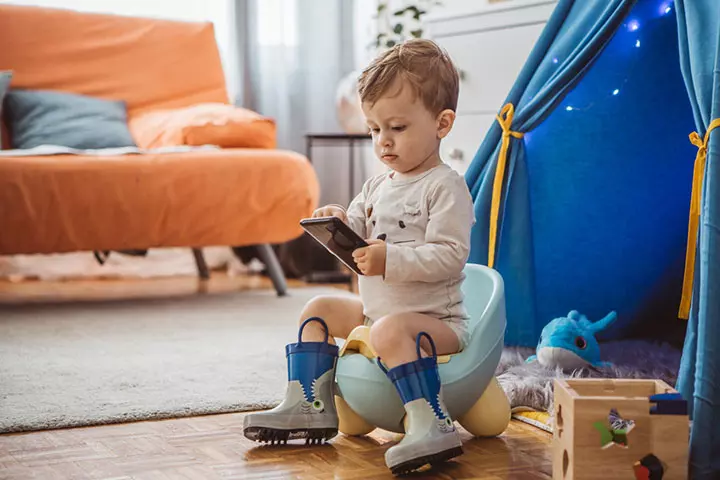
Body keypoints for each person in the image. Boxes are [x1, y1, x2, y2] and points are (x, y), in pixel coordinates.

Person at [243, 38, 475, 474]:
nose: (383, 142)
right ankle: (310, 403)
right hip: (378, 317)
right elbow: (357, 231)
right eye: (374, 129)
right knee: (318, 308)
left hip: (436, 324)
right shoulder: (377, 186)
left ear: (442, 124)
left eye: (398, 128)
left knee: (389, 330)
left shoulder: (446, 187)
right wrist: (336, 220)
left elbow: (451, 256)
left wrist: (391, 259)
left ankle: (432, 422)